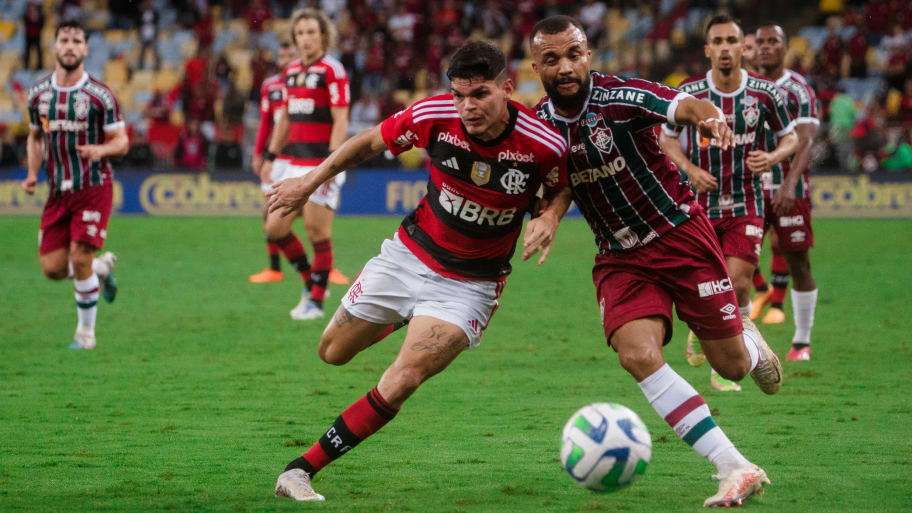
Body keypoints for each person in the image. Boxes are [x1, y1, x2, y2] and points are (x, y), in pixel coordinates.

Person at [266, 40, 572, 502]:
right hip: (408, 256)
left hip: (470, 286)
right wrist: (308, 184)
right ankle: (408, 315)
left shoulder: (542, 143)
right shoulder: (433, 117)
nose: (468, 106)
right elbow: (369, 142)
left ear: (508, 89)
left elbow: (563, 187)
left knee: (403, 376)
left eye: (481, 94)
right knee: (331, 351)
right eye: (460, 95)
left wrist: (549, 217)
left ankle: (300, 470)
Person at [529, 15, 781, 507]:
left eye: (573, 54)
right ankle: (734, 466)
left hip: (680, 238)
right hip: (620, 257)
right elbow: (561, 186)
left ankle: (747, 342)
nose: (565, 67)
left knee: (728, 368)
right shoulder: (539, 127)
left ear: (588, 55)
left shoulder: (620, 96)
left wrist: (708, 117)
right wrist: (552, 216)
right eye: (552, 59)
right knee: (637, 355)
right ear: (536, 65)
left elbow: (682, 104)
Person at [657, 15, 797, 392]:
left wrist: (771, 158)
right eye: (716, 41)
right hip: (698, 204)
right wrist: (687, 168)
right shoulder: (689, 94)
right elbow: (665, 138)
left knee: (737, 284)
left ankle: (724, 367)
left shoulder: (764, 94)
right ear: (707, 50)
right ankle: (701, 331)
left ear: (742, 47)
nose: (723, 47)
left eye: (730, 40)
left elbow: (792, 138)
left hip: (747, 203)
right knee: (703, 284)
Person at [22, 20, 129, 349]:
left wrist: (102, 149)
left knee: (79, 258)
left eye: (76, 41)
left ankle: (85, 335)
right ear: (54, 46)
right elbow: (35, 137)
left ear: (85, 49)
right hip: (58, 191)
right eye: (64, 40)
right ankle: (103, 268)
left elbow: (122, 142)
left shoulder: (100, 95)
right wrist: (31, 173)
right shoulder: (38, 94)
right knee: (52, 268)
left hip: (93, 187)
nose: (69, 46)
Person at [260, 8, 350, 318]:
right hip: (294, 162)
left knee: (316, 230)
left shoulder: (332, 70)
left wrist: (332, 163)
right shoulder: (291, 72)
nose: (305, 39)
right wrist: (271, 156)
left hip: (321, 162)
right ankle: (310, 281)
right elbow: (284, 117)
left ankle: (316, 302)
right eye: (300, 33)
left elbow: (341, 118)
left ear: (323, 35)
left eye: (311, 32)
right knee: (275, 228)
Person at [752, 23, 821, 361]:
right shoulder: (745, 87)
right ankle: (743, 334)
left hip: (788, 188)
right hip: (748, 189)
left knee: (798, 261)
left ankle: (802, 341)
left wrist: (790, 184)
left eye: (773, 42)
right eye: (760, 42)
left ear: (785, 46)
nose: (765, 47)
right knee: (733, 260)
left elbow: (806, 140)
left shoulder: (798, 89)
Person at [249, 41, 297, 283]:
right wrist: (259, 153)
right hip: (276, 158)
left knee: (313, 214)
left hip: (302, 155)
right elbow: (266, 123)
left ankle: (323, 268)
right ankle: (274, 268)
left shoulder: (304, 82)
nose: (285, 58)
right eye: (282, 54)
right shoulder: (270, 86)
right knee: (269, 209)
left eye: (290, 54)